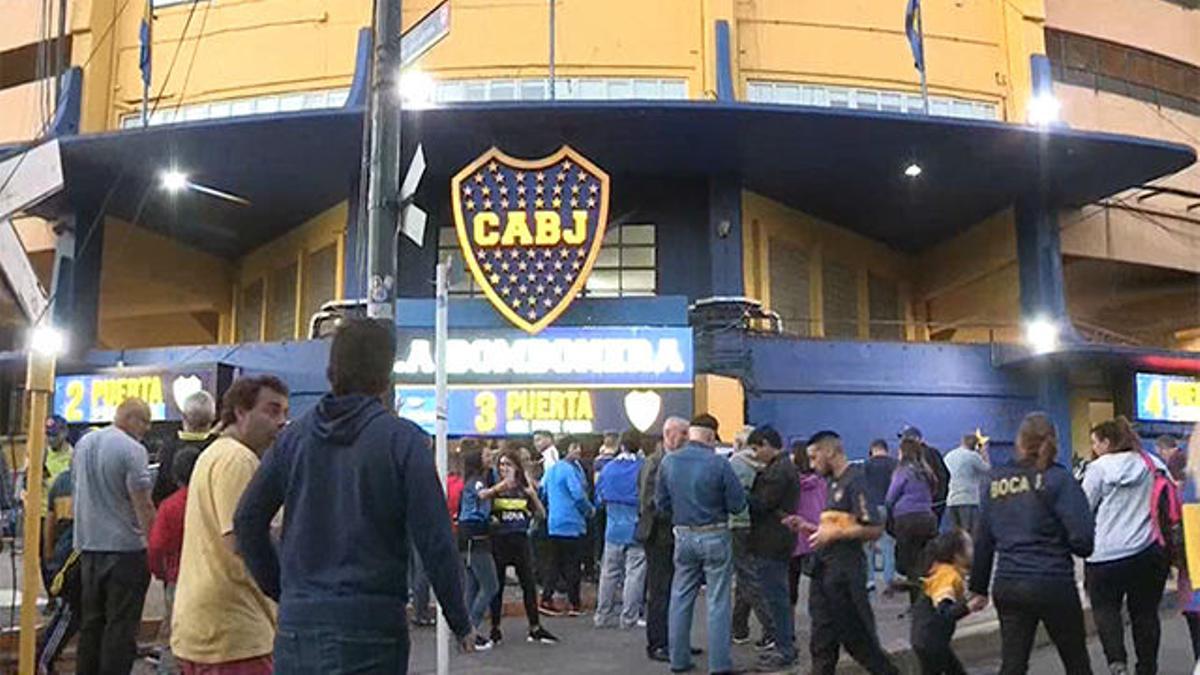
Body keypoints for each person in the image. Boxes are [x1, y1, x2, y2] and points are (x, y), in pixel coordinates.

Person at [234, 319, 475, 674]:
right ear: (385, 375)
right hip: (371, 627)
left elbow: (246, 520)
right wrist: (459, 619)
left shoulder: (293, 439)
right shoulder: (403, 440)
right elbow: (434, 537)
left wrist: (284, 589)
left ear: (332, 370)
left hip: (298, 628)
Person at [172, 376, 289, 674]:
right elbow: (240, 541)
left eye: (285, 413)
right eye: (272, 410)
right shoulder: (238, 460)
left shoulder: (213, 455)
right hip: (234, 633)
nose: (281, 422)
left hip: (207, 627)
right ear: (240, 412)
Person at [968, 412, 1094, 675]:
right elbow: (1083, 541)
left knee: (1013, 664)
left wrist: (978, 588)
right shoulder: (1060, 479)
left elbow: (983, 540)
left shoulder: (994, 481)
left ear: (1020, 441)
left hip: (1009, 584)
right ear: (1053, 441)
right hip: (1053, 583)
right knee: (1076, 662)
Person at [790, 430, 898, 675]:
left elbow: (874, 528)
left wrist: (836, 535)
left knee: (859, 641)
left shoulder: (855, 481)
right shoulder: (831, 483)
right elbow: (837, 525)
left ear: (830, 452)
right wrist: (810, 528)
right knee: (822, 642)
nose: (812, 463)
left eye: (814, 456)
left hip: (846, 573)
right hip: (823, 571)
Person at [657, 413, 746, 675]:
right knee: (718, 601)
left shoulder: (669, 462)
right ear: (710, 436)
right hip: (715, 534)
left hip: (682, 535)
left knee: (681, 596)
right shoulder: (719, 464)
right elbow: (738, 504)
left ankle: (678, 660)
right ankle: (719, 665)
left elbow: (661, 504)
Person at [73, 397, 156, 675]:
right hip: (125, 552)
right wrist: (155, 544)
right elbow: (142, 503)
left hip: (87, 548)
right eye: (145, 422)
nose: (146, 430)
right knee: (120, 629)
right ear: (132, 418)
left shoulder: (84, 445)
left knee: (91, 624)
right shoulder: (133, 450)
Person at [1083, 418, 1170, 675]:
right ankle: (1147, 668)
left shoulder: (1098, 469)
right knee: (1145, 613)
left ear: (1107, 442)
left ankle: (1117, 663)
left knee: (1106, 609)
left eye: (1095, 442)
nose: (1094, 448)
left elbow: (1084, 507)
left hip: (1104, 556)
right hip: (1148, 552)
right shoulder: (1153, 463)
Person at [487, 449, 559, 645]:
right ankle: (495, 628)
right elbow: (483, 503)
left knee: (528, 583)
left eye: (508, 464)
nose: (504, 468)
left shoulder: (523, 487)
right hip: (500, 540)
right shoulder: (494, 486)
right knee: (497, 585)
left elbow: (542, 515)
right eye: (501, 465)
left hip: (520, 539)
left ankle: (535, 627)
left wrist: (532, 495)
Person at [746, 426, 800, 670]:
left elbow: (762, 504)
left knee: (776, 597)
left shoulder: (778, 472)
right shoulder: (782, 467)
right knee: (779, 596)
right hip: (778, 539)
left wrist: (742, 494)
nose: (755, 454)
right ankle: (784, 644)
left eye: (756, 448)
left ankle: (785, 649)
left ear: (768, 444)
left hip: (771, 540)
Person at [639, 417, 688, 663]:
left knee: (675, 590)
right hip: (658, 536)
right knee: (660, 591)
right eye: (684, 434)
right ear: (669, 434)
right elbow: (649, 502)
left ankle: (676, 641)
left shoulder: (674, 461)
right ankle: (657, 643)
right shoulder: (656, 463)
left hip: (671, 535)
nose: (687, 439)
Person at [147, 447, 200, 675]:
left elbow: (157, 547)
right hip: (210, 575)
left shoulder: (170, 506)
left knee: (175, 632)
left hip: (178, 577)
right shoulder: (211, 498)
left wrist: (161, 573)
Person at [594, 433, 646, 630]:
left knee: (608, 573)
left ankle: (602, 616)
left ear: (621, 446)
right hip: (636, 526)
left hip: (613, 526)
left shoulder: (608, 468)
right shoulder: (642, 467)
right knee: (634, 574)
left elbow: (598, 497)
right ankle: (629, 618)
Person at [729, 425, 774, 650]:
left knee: (747, 578)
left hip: (735, 523)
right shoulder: (764, 466)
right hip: (757, 525)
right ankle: (738, 628)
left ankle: (771, 628)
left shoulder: (734, 463)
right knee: (747, 575)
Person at [539, 437, 594, 616]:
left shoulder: (552, 470)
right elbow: (578, 495)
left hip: (554, 522)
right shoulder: (569, 470)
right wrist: (589, 510)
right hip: (572, 522)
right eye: (574, 447)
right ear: (565, 450)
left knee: (553, 563)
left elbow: (542, 490)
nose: (578, 450)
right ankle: (574, 603)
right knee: (572, 564)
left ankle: (546, 599)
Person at [911, 529, 974, 675]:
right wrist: (969, 606)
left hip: (928, 638)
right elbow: (944, 611)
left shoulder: (945, 570)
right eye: (969, 546)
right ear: (957, 554)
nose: (973, 550)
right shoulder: (947, 575)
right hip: (931, 639)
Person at [37, 464, 80, 675]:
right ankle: (42, 661)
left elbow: (50, 524)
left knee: (70, 613)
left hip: (63, 556)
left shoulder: (61, 481)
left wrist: (49, 557)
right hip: (74, 558)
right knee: (69, 614)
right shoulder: (84, 482)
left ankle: (43, 658)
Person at [458, 447, 501, 650]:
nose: (490, 458)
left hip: (470, 534)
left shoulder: (478, 478)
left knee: (472, 586)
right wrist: (501, 486)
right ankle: (471, 630)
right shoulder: (477, 481)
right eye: (486, 455)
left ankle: (464, 631)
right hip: (475, 536)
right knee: (490, 585)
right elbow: (482, 494)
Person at [886, 438, 940, 595]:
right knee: (923, 564)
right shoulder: (927, 472)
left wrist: (890, 516)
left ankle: (915, 600)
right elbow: (934, 493)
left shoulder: (902, 471)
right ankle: (923, 601)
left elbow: (890, 497)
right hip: (927, 519)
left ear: (903, 452)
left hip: (906, 521)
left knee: (907, 565)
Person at [152, 390, 216, 506]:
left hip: (175, 514)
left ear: (183, 416)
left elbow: (160, 492)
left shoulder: (168, 449)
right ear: (212, 417)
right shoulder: (218, 447)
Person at [789, 439, 827, 609]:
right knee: (820, 584)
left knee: (791, 582)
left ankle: (788, 625)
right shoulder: (821, 481)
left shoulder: (791, 482)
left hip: (795, 534)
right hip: (817, 533)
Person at [863, 439, 897, 594]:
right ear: (886, 449)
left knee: (868, 547)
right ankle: (889, 581)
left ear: (872, 449)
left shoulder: (866, 465)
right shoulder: (895, 464)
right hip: (889, 507)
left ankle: (869, 581)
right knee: (888, 546)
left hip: (870, 509)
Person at [899, 426, 950, 523]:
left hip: (919, 506)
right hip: (934, 504)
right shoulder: (933, 452)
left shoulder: (910, 457)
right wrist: (940, 498)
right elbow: (944, 475)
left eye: (906, 439)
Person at [943, 433, 990, 534]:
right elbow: (987, 469)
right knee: (970, 535)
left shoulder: (949, 456)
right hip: (968, 500)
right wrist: (984, 453)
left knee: (956, 535)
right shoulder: (972, 456)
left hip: (951, 500)